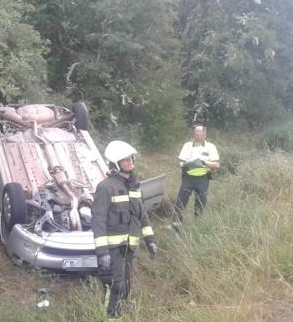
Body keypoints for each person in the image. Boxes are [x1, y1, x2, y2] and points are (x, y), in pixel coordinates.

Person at [92, 140, 158, 321]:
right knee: (114, 286)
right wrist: (102, 252)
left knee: (126, 286)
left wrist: (150, 240)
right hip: (113, 250)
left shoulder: (134, 186)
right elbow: (98, 221)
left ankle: (120, 313)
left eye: (130, 158)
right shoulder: (106, 187)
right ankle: (109, 317)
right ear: (115, 164)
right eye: (124, 160)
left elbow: (142, 216)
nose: (129, 162)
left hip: (129, 248)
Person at [171, 124, 220, 230]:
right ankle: (176, 226)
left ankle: (198, 226)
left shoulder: (211, 147)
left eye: (200, 131)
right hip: (187, 178)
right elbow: (180, 162)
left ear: (205, 133)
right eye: (196, 131)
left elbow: (216, 165)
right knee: (181, 201)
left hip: (203, 178)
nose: (197, 134)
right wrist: (187, 165)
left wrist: (203, 162)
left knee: (200, 203)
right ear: (193, 133)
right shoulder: (187, 145)